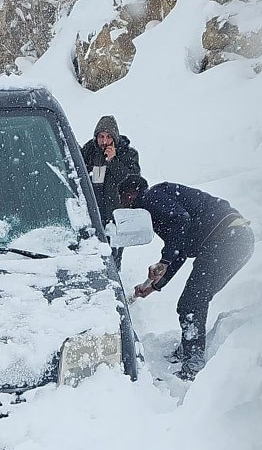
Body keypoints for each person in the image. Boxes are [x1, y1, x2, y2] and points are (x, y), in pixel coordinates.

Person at [121, 175, 253, 380]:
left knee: (192, 302)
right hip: (235, 239)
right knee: (194, 299)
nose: (126, 207)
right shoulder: (160, 205)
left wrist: (164, 261)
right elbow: (180, 249)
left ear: (131, 194)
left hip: (226, 239)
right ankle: (189, 350)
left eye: (125, 201)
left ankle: (193, 363)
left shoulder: (151, 197)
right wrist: (155, 285)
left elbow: (181, 221)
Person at [81, 115, 141, 227]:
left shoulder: (128, 155)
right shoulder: (88, 152)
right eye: (101, 136)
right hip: (91, 219)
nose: (104, 141)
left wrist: (113, 161)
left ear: (115, 138)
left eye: (109, 137)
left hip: (116, 220)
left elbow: (132, 183)